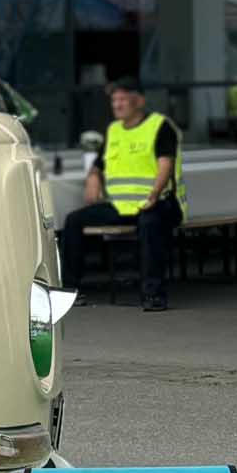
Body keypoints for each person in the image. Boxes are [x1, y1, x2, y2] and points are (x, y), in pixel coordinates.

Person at [56, 77, 184, 310]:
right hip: (121, 206)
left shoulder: (160, 126)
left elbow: (165, 166)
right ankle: (70, 291)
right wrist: (93, 177)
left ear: (139, 101)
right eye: (114, 100)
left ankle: (153, 295)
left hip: (160, 202)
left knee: (149, 224)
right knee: (74, 221)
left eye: (123, 99)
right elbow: (99, 164)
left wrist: (154, 194)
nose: (116, 104)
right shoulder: (113, 130)